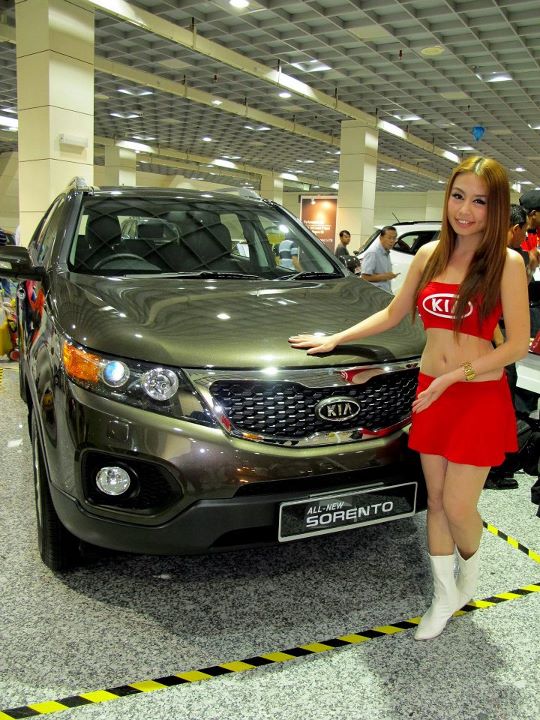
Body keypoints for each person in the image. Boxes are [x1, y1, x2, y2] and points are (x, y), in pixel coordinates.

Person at [288, 156, 530, 641]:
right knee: (435, 501)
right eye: (458, 196)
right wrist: (336, 338)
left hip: (476, 396)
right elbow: (394, 314)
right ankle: (443, 595)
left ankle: (469, 577)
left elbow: (517, 345)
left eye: (479, 201)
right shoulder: (430, 255)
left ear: (497, 207)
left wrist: (454, 376)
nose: (465, 210)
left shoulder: (506, 263)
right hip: (431, 394)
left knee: (459, 506)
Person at [361, 225, 400, 292]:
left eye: (394, 238)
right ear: (381, 238)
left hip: (385, 293)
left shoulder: (386, 252)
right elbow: (364, 277)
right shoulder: (373, 253)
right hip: (375, 295)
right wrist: (385, 276)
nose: (392, 241)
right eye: (389, 238)